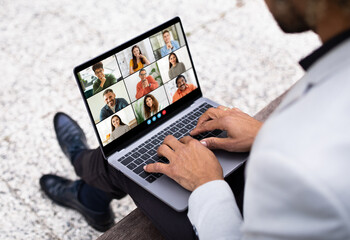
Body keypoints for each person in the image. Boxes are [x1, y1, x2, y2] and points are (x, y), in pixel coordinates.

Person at [39, 0, 350, 239]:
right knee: (131, 151)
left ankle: (83, 171)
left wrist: (207, 185)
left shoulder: (307, 170)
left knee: (116, 161)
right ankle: (89, 194)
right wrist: (265, 134)